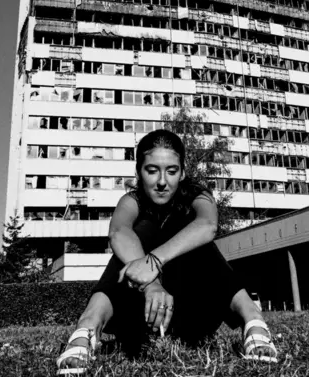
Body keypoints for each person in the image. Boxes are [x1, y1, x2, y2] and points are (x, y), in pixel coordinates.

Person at [56, 129, 277, 374]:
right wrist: (151, 285)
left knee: (197, 238)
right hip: (139, 319)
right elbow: (118, 232)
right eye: (152, 170)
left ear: (182, 172)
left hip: (195, 315)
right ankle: (87, 329)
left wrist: (153, 262)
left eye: (171, 171)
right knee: (131, 243)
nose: (162, 181)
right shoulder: (131, 201)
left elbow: (207, 225)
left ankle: (253, 321)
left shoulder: (197, 195)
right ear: (139, 171)